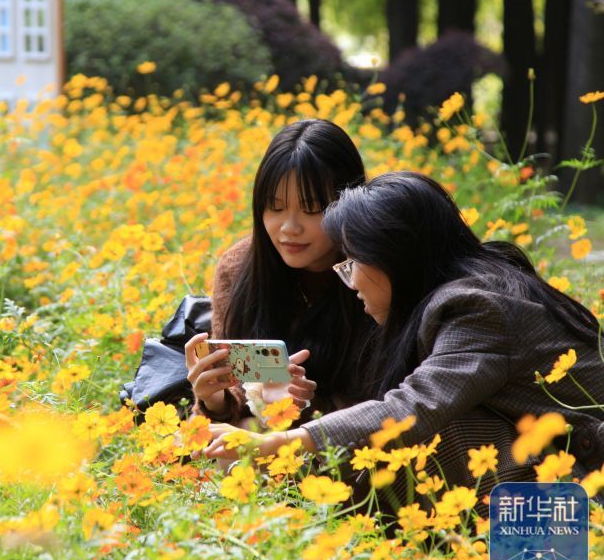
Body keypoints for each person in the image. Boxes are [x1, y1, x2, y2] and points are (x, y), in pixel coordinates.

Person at [205, 171, 604, 493]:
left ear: (395, 256)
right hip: (558, 465)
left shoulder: (476, 307)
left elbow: (411, 408)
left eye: (353, 262)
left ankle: (287, 489)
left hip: (585, 482)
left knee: (434, 437)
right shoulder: (463, 290)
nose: (350, 281)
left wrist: (280, 446)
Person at [185, 118, 373, 431]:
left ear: (348, 201)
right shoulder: (239, 268)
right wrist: (213, 399)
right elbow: (231, 405)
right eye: (275, 206)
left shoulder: (371, 270)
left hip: (347, 442)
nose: (289, 228)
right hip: (262, 434)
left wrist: (307, 407)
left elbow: (388, 401)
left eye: (312, 208)